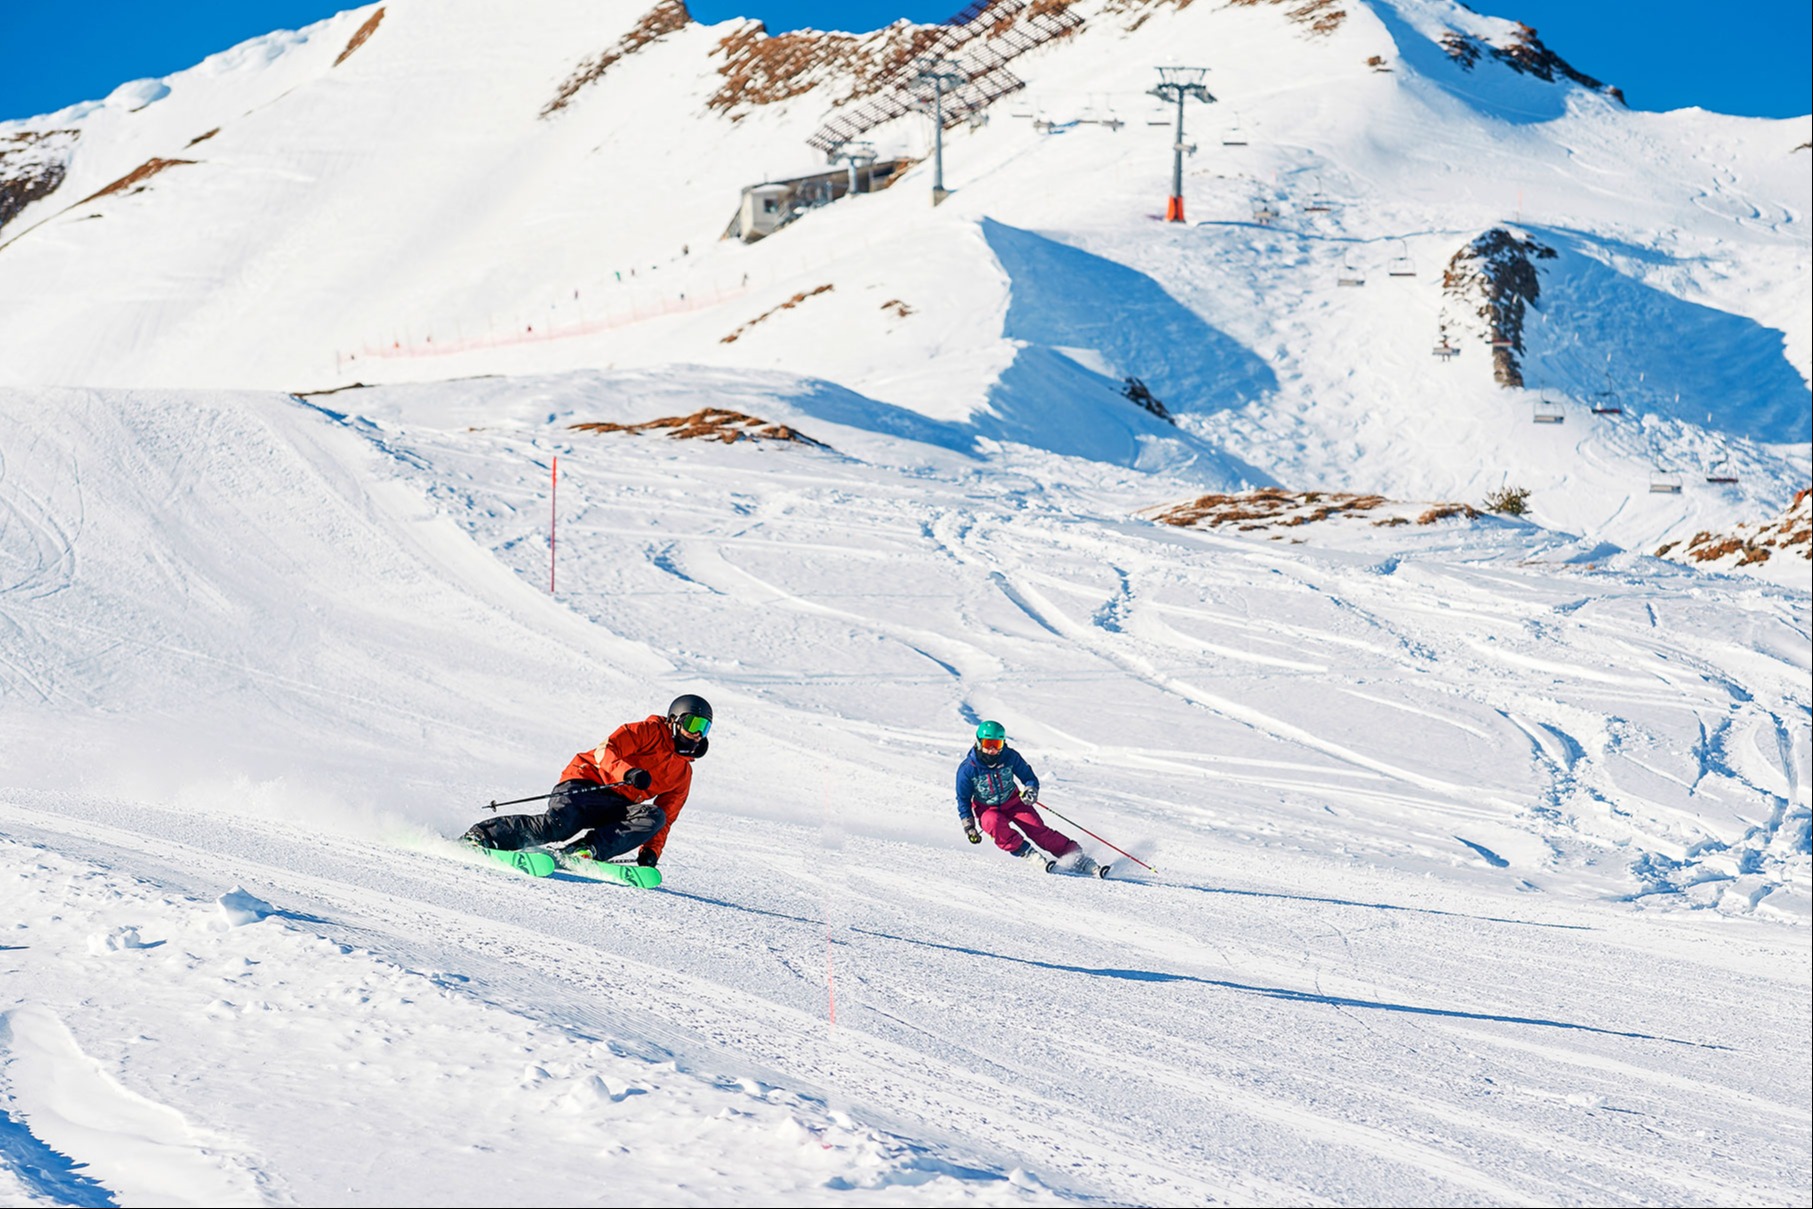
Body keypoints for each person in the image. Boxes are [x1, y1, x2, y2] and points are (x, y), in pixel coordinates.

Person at [461, 695, 713, 867]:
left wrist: (651, 851)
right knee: (558, 826)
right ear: (675, 721)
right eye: (693, 724)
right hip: (586, 783)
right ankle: (482, 835)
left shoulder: (683, 774)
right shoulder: (647, 732)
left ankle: (584, 851)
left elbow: (667, 817)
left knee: (654, 817)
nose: (697, 734)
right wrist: (627, 773)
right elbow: (607, 749)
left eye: (705, 728)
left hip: (616, 806)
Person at [954, 721, 1106, 877]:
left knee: (1038, 829)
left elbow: (1028, 777)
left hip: (1014, 803)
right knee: (993, 822)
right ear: (978, 742)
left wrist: (1030, 790)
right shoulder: (968, 769)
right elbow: (963, 799)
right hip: (987, 809)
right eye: (988, 744)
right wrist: (969, 826)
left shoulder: (1009, 756)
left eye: (997, 744)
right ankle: (1027, 853)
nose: (992, 750)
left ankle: (1077, 858)